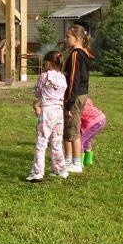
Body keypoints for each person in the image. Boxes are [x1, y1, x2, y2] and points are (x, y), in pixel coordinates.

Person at [26, 50, 68, 182]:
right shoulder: (62, 77)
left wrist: (37, 101)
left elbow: (37, 93)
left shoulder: (44, 76)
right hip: (58, 112)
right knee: (56, 142)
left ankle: (37, 172)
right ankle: (61, 170)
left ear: (48, 63)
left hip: (47, 112)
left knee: (41, 142)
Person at [63, 24, 94, 173]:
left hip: (75, 96)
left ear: (76, 38)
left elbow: (74, 79)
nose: (65, 39)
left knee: (73, 129)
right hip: (81, 94)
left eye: (68, 36)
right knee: (71, 127)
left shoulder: (76, 54)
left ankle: (76, 163)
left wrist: (69, 102)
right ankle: (69, 159)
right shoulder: (84, 53)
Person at [80, 98, 106, 167]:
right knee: (88, 140)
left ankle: (79, 162)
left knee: (80, 140)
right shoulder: (85, 98)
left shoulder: (75, 104)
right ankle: (88, 160)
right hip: (101, 118)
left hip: (93, 122)